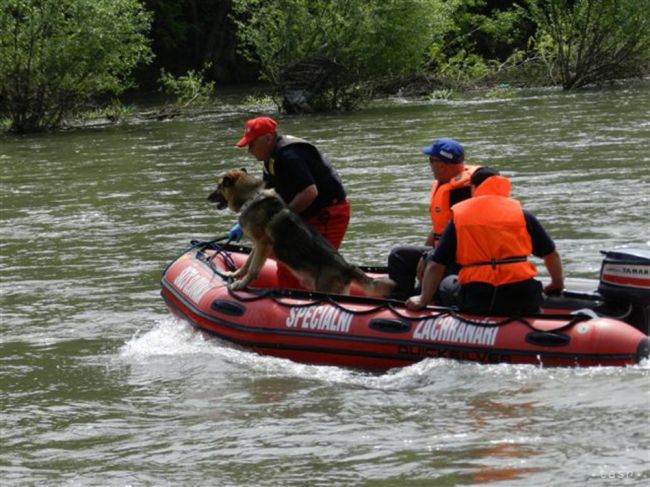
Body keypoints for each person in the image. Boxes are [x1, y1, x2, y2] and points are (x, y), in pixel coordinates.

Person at [406, 167, 564, 315]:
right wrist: (556, 284)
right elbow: (551, 255)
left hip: (479, 296)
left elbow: (436, 265)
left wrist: (423, 299)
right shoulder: (522, 214)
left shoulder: (460, 216)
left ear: (474, 188)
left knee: (446, 283)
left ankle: (441, 322)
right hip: (521, 295)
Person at [233, 116, 350, 289]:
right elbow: (268, 195)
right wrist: (244, 223)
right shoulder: (270, 160)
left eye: (252, 144)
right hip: (305, 213)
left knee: (304, 264)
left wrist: (280, 219)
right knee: (278, 252)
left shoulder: (289, 156)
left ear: (268, 138)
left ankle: (310, 305)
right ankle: (286, 297)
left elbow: (309, 192)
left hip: (328, 213)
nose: (249, 150)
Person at [388, 138, 480, 299]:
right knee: (399, 255)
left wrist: (430, 257)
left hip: (458, 257)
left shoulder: (462, 193)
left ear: (442, 164)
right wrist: (426, 253)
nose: (429, 165)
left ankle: (421, 301)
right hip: (441, 252)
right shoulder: (446, 185)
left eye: (431, 160)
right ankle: (402, 303)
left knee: (406, 258)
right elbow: (439, 228)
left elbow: (459, 238)